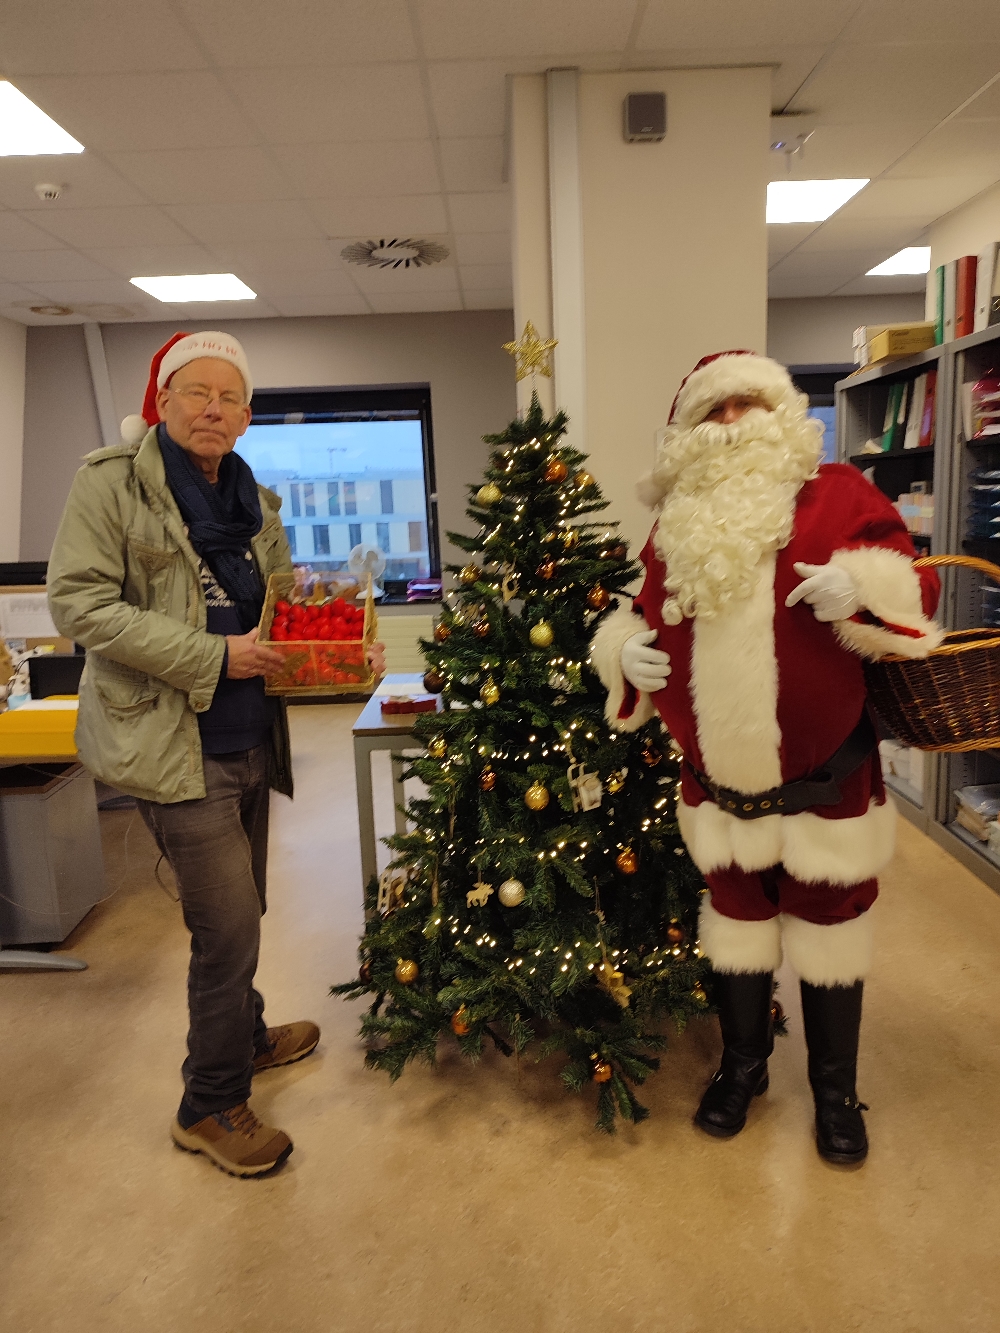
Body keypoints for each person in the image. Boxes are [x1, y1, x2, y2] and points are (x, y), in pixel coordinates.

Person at [48, 330, 385, 1178]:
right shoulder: (111, 484)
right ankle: (208, 1101)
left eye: (230, 396)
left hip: (249, 735)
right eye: (197, 391)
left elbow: (280, 608)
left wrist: (343, 642)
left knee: (245, 908)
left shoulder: (253, 498)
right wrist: (211, 654)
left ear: (246, 415)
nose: (213, 408)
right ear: (162, 400)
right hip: (170, 744)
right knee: (226, 926)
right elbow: (79, 603)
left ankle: (246, 1033)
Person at [590, 350, 941, 1165]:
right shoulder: (674, 521)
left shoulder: (841, 493)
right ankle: (742, 1067)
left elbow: (916, 588)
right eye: (712, 411)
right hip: (719, 789)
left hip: (828, 783)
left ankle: (835, 1092)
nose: (730, 422)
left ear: (780, 414)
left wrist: (862, 588)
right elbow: (644, 612)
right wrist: (624, 653)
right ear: (686, 432)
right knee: (737, 927)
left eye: (746, 404)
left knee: (831, 930)